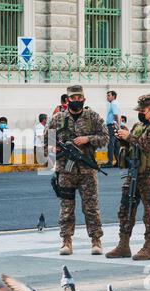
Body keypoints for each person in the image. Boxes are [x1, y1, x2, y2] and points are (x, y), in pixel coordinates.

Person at [44, 85, 109, 256]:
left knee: (91, 208)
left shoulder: (92, 117)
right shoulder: (57, 119)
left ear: (84, 99)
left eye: (79, 98)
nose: (76, 101)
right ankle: (66, 241)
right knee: (66, 208)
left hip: (87, 171)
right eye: (73, 98)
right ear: (67, 99)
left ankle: (96, 240)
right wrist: (53, 150)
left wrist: (87, 139)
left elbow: (105, 138)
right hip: (65, 172)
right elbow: (46, 143)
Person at [106, 94, 150, 261]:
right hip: (133, 173)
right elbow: (132, 145)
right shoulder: (138, 126)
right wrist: (124, 138)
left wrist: (129, 137)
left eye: (142, 111)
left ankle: (149, 247)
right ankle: (123, 244)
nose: (140, 113)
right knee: (126, 208)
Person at [102, 91, 121, 168]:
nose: (107, 97)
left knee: (111, 143)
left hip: (112, 125)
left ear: (113, 96)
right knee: (116, 144)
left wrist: (117, 125)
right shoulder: (115, 103)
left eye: (109, 95)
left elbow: (115, 115)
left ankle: (109, 162)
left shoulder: (113, 104)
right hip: (114, 125)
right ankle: (119, 161)